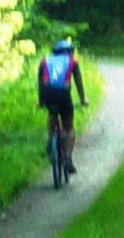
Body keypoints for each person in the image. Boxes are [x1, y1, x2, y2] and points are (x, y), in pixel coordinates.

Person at [37, 36, 87, 173]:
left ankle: (50, 139)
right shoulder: (72, 62)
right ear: (69, 51)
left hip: (48, 93)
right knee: (69, 127)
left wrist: (41, 101)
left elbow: (40, 82)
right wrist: (83, 99)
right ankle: (68, 159)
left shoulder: (44, 61)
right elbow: (78, 82)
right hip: (63, 94)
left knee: (52, 113)